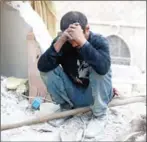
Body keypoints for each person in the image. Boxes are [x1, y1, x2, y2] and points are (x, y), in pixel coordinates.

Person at [38, 11, 113, 137]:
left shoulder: (99, 42)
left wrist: (82, 42)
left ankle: (100, 116)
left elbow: (103, 68)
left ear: (87, 29)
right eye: (69, 39)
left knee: (100, 69)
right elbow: (42, 67)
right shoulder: (63, 42)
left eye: (75, 39)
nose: (73, 44)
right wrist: (61, 40)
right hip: (73, 95)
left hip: (95, 96)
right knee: (48, 69)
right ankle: (66, 109)